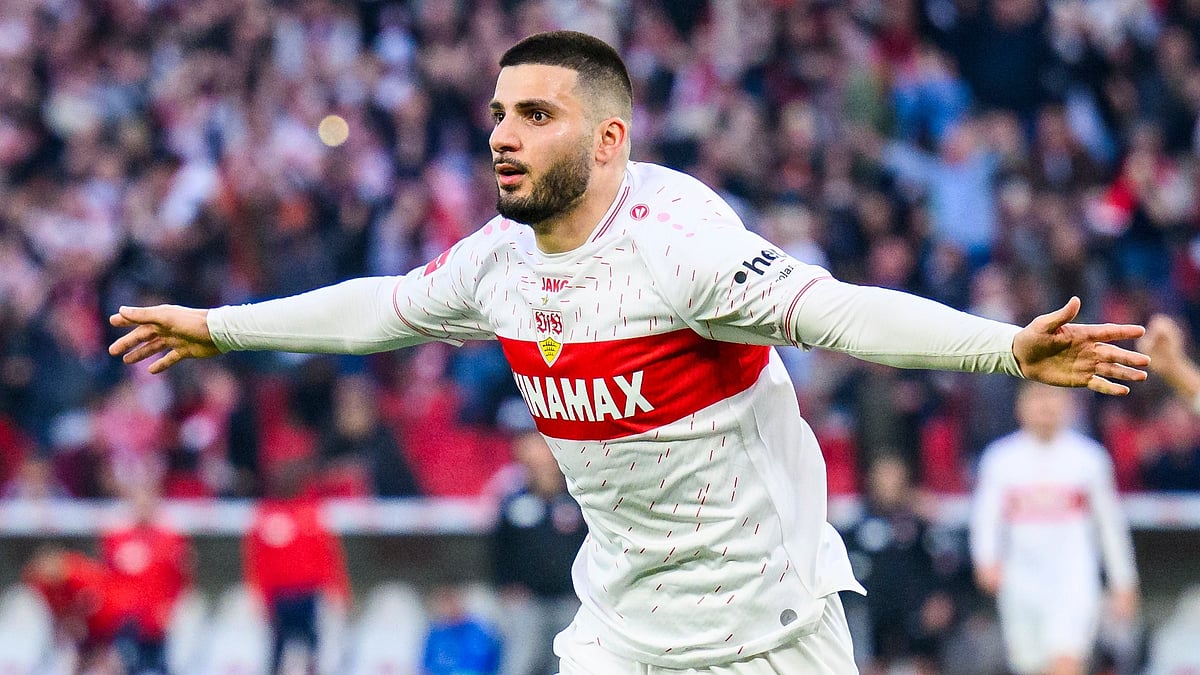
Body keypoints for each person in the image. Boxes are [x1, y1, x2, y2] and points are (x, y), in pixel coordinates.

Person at [108, 30, 1150, 675]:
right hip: (618, 632)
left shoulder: (681, 249)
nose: (502, 136)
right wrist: (219, 326)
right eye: (498, 114)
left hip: (766, 635)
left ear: (609, 140)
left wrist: (1006, 351)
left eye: (536, 114)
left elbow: (840, 313)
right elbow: (379, 308)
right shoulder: (497, 262)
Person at [969, 382, 1139, 675]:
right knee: (1031, 666)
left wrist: (1123, 580)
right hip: (1020, 581)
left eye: (1053, 397)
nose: (1045, 406)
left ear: (1069, 404)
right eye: (1037, 397)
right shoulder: (1000, 460)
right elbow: (985, 518)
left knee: (1066, 662)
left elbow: (1110, 525)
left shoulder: (1089, 459)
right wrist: (985, 559)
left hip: (1074, 581)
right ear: (1020, 406)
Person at [843, 455, 958, 675]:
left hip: (915, 612)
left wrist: (941, 597)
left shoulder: (920, 525)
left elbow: (942, 564)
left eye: (895, 478)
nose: (889, 484)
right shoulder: (857, 525)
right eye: (884, 478)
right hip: (872, 613)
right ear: (871, 481)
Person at [492, 431, 587, 675]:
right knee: (522, 660)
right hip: (527, 601)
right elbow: (498, 549)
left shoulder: (576, 501)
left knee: (568, 663)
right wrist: (505, 586)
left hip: (569, 599)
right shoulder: (513, 502)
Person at [243, 458, 351, 674]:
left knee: (315, 649)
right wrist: (258, 596)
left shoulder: (311, 514)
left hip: (310, 595)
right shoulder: (265, 516)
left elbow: (328, 559)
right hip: (279, 597)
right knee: (277, 650)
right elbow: (257, 563)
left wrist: (339, 591)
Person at [100, 482, 194, 674]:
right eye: (138, 502)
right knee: (125, 666)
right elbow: (107, 579)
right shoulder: (116, 538)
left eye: (147, 501)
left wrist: (171, 607)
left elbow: (180, 579)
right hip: (125, 619)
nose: (143, 506)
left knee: (160, 666)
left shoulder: (171, 539)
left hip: (156, 620)